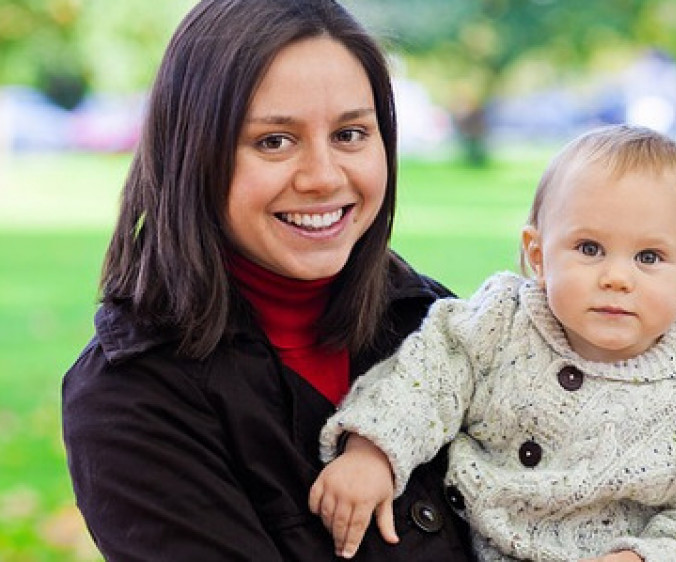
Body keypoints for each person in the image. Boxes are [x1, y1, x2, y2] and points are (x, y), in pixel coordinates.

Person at [60, 1, 475, 560]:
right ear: (193, 154)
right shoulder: (130, 399)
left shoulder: (436, 324)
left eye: (351, 133)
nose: (324, 177)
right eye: (273, 141)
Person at [310, 124, 676, 561]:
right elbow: (428, 375)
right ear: (538, 254)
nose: (616, 278)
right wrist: (374, 450)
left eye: (648, 257)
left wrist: (643, 556)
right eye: (589, 249)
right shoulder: (498, 325)